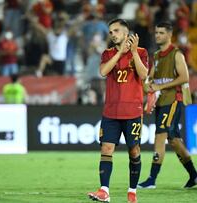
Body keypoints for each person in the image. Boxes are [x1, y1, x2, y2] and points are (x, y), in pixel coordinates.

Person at [87, 19, 149, 203]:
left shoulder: (142, 52)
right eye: (110, 32)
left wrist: (132, 53)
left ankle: (132, 191)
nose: (112, 34)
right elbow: (103, 71)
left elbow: (144, 75)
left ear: (125, 33)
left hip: (133, 111)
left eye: (116, 31)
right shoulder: (107, 54)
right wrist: (120, 53)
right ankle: (104, 191)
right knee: (106, 149)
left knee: (134, 151)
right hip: (111, 111)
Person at [138, 22, 197, 189]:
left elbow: (185, 77)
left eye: (161, 33)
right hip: (161, 102)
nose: (157, 35)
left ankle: (151, 179)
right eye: (156, 32)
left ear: (169, 35)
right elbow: (151, 78)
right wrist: (148, 85)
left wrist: (159, 87)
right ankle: (194, 175)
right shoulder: (156, 56)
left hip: (173, 100)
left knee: (160, 136)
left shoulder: (176, 54)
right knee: (174, 141)